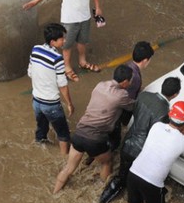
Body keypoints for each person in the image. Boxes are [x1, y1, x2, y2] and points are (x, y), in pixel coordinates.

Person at [112, 101, 184, 203]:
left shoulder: (157, 126)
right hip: (152, 182)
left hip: (134, 172)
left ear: (170, 114)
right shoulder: (183, 141)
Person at [22, 0, 104, 81]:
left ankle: (83, 62)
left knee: (83, 41)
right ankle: (67, 68)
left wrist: (98, 6)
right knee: (67, 45)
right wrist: (36, 1)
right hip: (69, 18)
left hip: (85, 16)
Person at [99, 76, 182, 203]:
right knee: (135, 182)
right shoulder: (165, 113)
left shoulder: (143, 96)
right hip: (142, 152)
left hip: (127, 143)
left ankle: (102, 201)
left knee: (122, 175)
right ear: (176, 94)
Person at [53, 65, 135, 194]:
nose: (131, 83)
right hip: (95, 139)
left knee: (69, 168)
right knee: (107, 162)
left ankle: (55, 192)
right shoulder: (121, 95)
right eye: (130, 80)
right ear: (125, 82)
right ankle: (102, 191)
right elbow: (132, 107)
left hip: (79, 133)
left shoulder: (100, 85)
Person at [27, 23, 75, 156]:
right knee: (63, 134)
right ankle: (64, 158)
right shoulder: (57, 59)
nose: (64, 40)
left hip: (36, 101)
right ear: (53, 42)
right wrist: (70, 104)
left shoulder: (35, 49)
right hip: (51, 104)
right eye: (62, 39)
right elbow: (62, 85)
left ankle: (40, 144)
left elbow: (30, 72)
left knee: (41, 128)